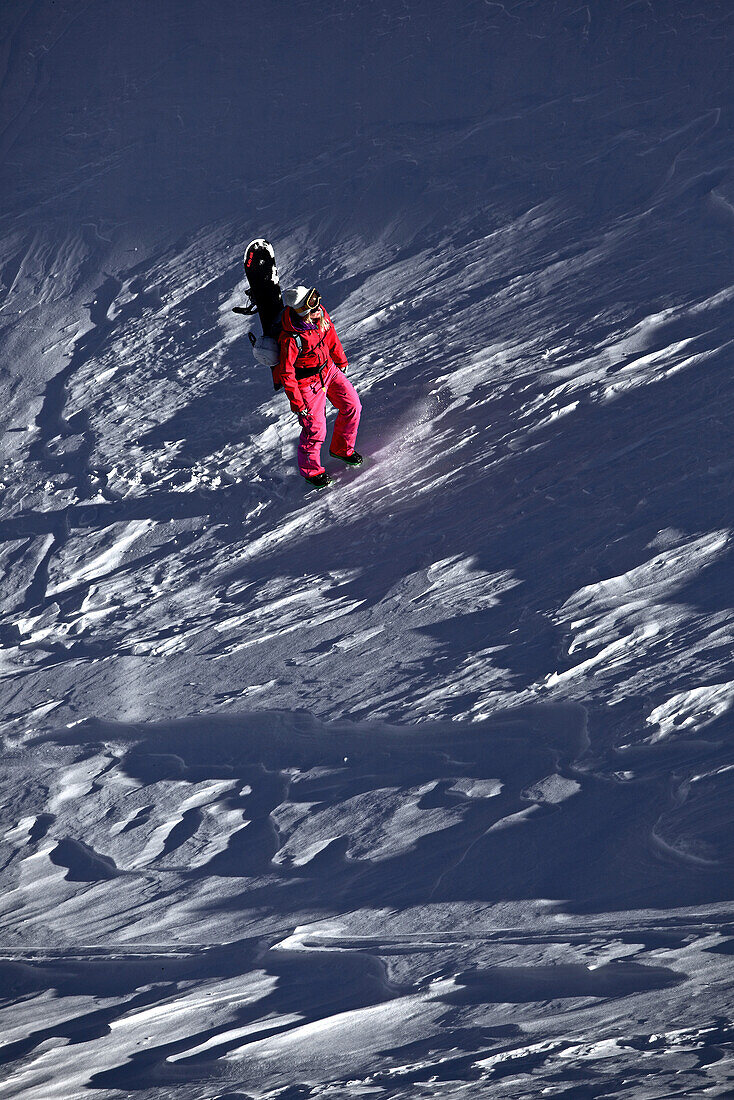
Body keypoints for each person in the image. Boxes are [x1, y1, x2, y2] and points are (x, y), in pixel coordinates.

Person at [275, 286, 362, 488]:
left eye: (316, 299)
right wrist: (297, 403)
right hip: (307, 384)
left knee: (352, 407)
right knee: (315, 429)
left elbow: (331, 335)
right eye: (312, 302)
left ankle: (342, 449)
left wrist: (340, 360)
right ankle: (311, 472)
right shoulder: (291, 339)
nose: (318, 305)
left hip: (329, 370)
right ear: (302, 310)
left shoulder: (319, 315)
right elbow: (287, 374)